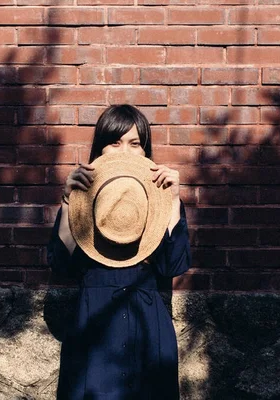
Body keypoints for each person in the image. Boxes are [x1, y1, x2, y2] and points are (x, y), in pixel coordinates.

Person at [47, 104, 191, 399]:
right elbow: (61, 264)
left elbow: (173, 265)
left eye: (135, 144)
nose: (125, 151)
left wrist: (173, 200)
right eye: (115, 142)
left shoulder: (158, 202)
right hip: (93, 328)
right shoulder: (82, 199)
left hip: (150, 329)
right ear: (100, 149)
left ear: (146, 151)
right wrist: (68, 202)